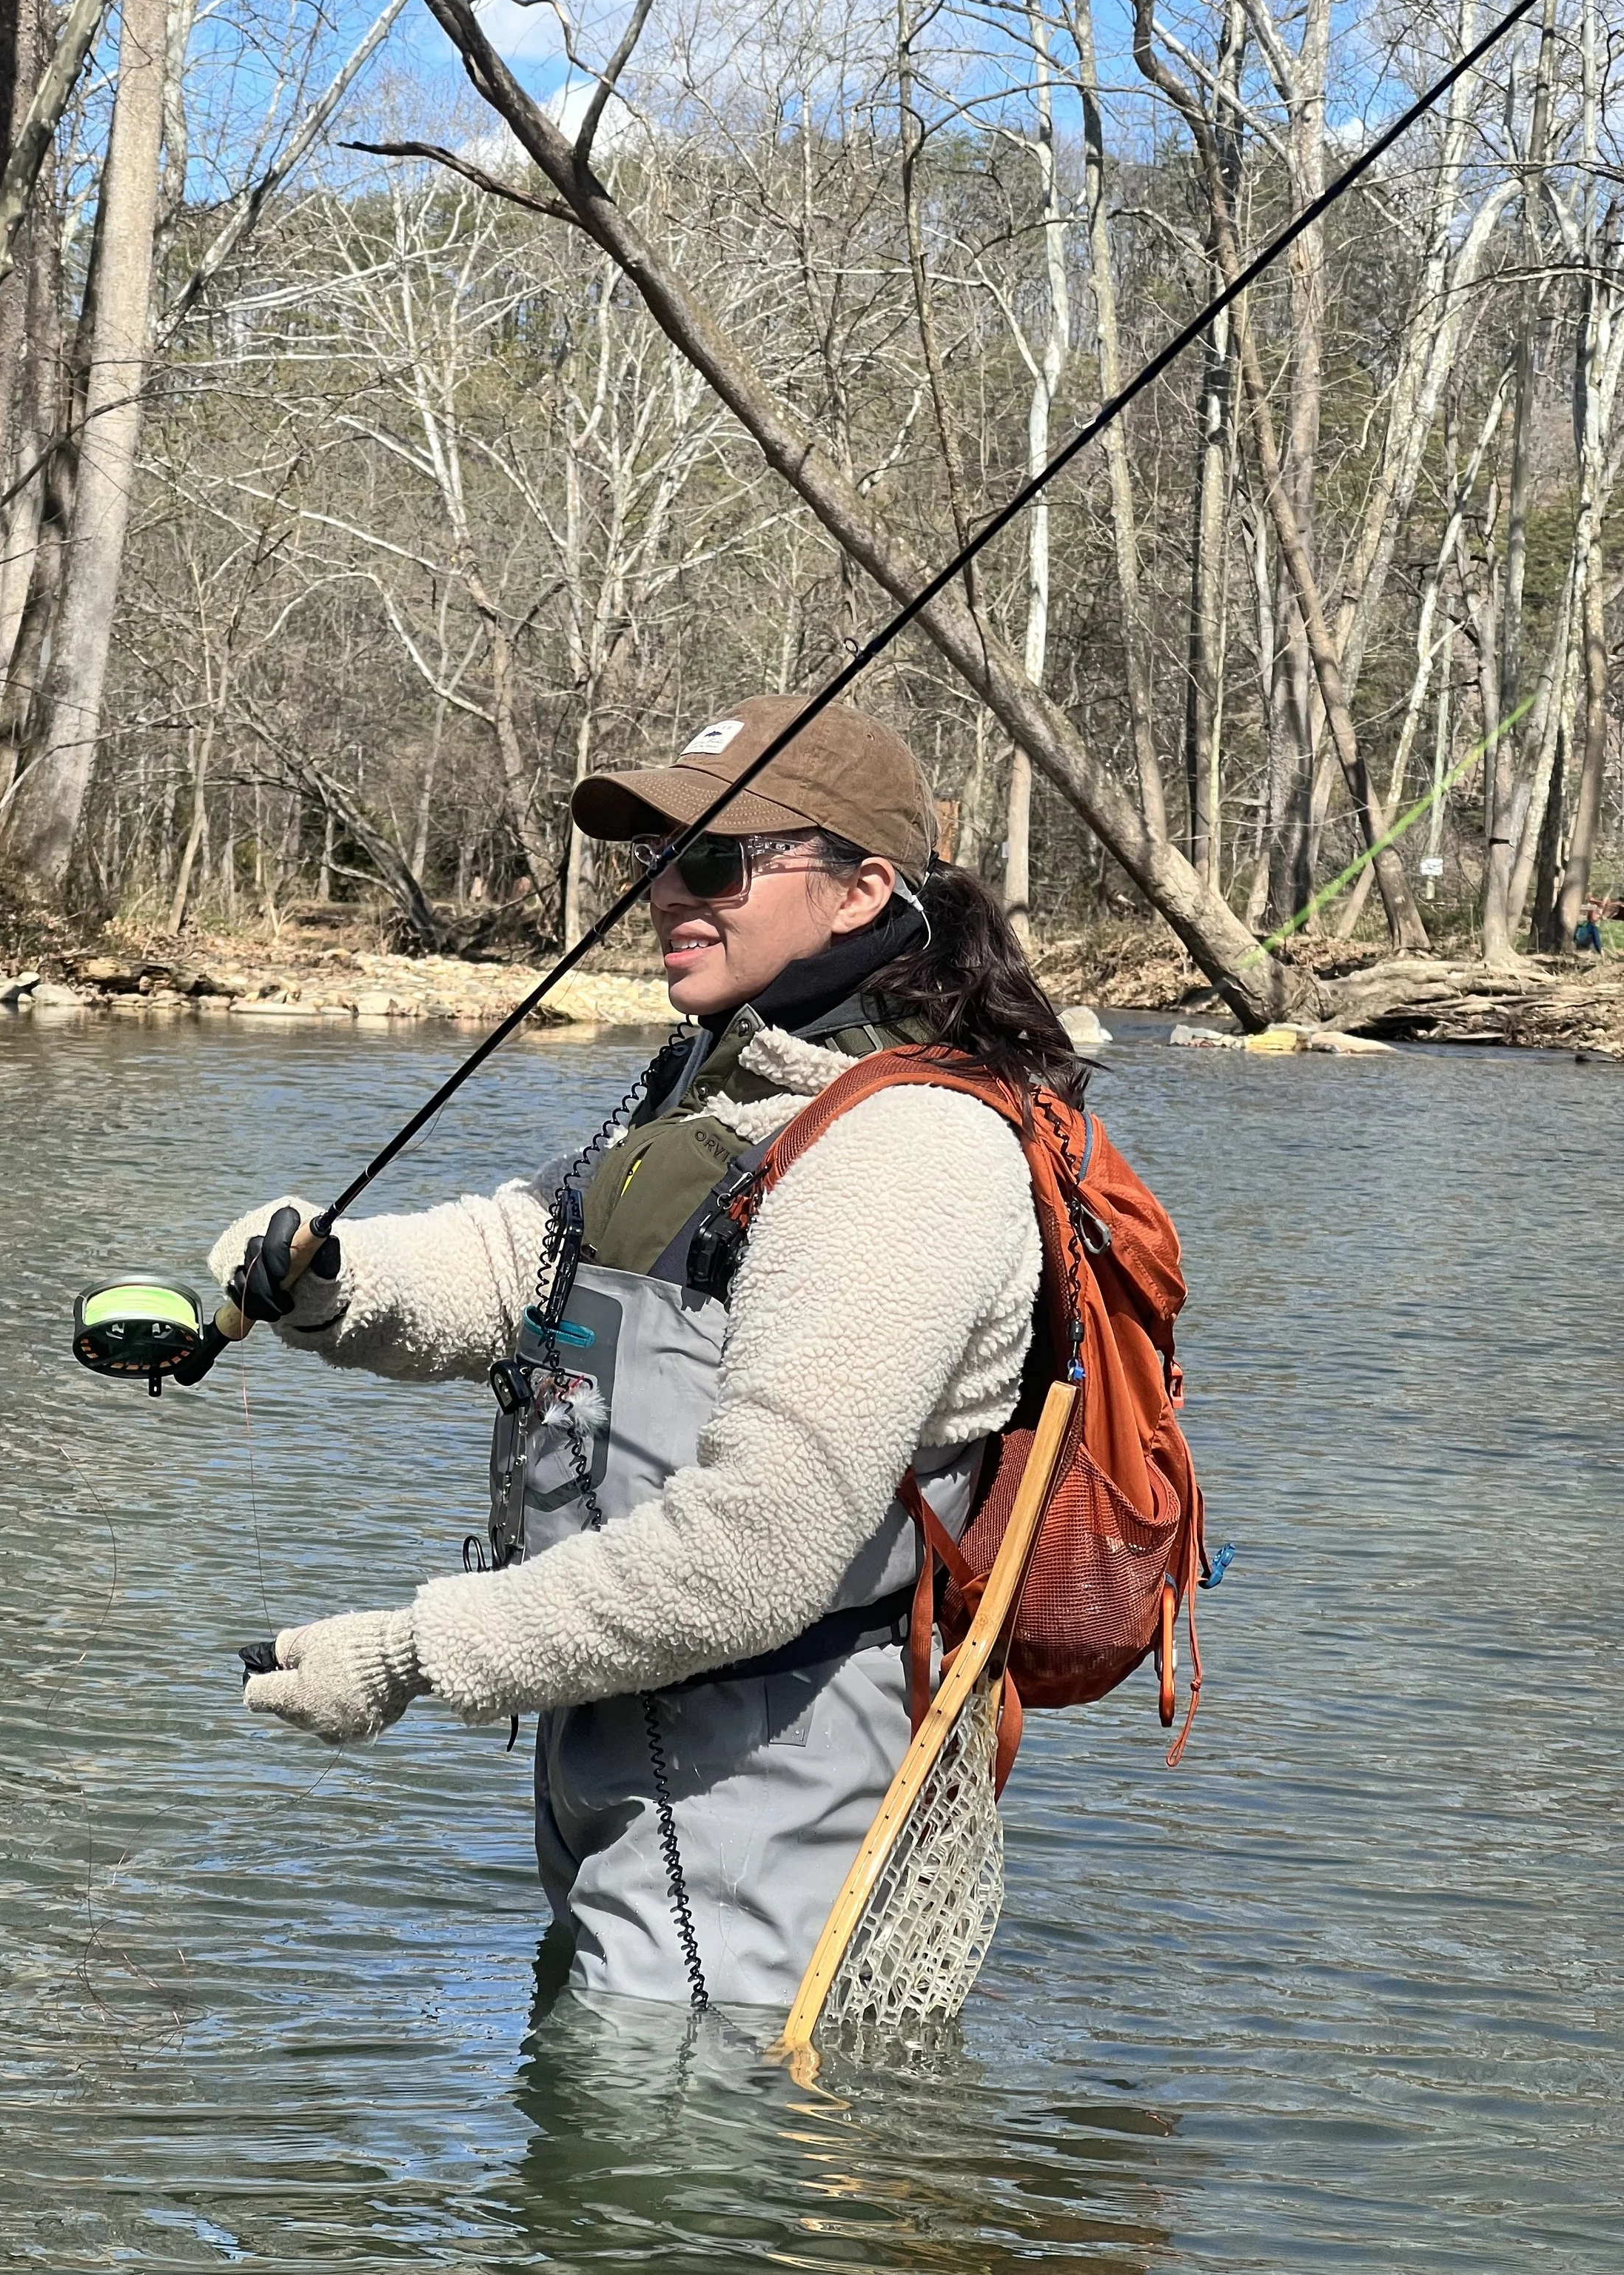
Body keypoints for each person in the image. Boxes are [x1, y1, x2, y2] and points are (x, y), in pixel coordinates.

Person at [218, 695, 1084, 2012]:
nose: (671, 894)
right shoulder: (724, 1087)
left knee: (691, 2177)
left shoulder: (904, 1154)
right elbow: (524, 1260)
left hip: (769, 1782)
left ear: (859, 892)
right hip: (624, 1715)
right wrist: (330, 1282)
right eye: (657, 861)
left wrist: (410, 1655)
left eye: (718, 862)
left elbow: (760, 1547)